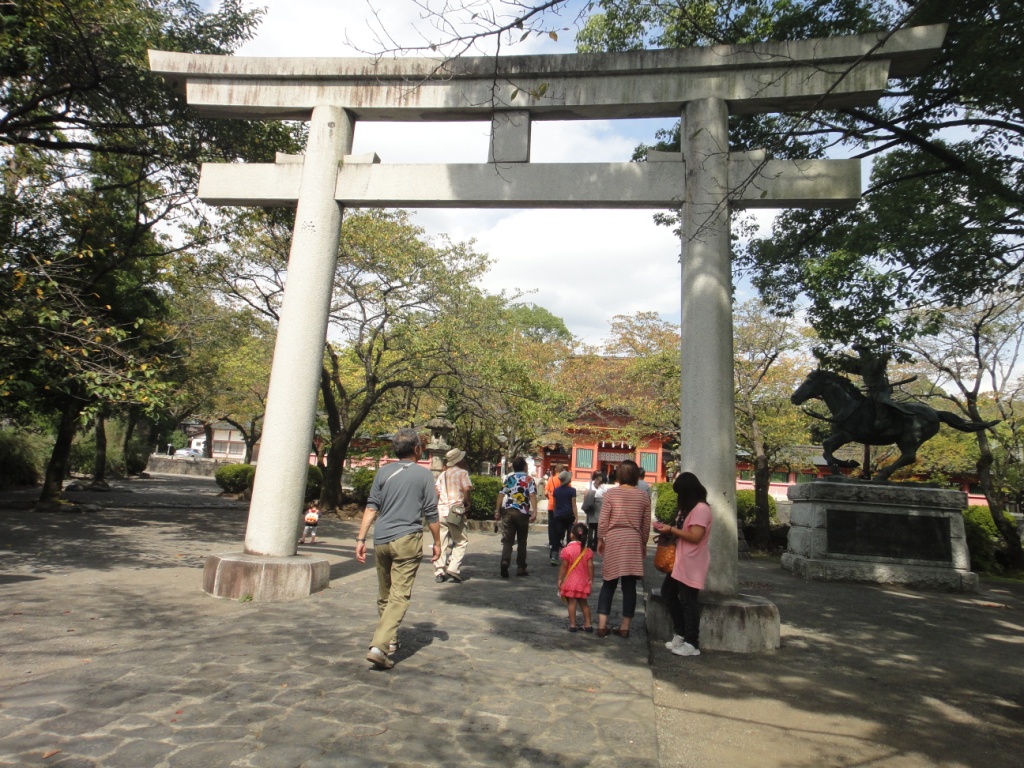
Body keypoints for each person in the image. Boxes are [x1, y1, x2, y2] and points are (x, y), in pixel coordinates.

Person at [355, 428, 441, 670]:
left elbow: (371, 506)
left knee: (385, 593)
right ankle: (379, 646)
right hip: (407, 539)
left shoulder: (383, 471)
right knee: (399, 595)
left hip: (381, 538)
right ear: (417, 449)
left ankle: (390, 639)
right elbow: (431, 512)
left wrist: (360, 539)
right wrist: (437, 542)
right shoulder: (424, 475)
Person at [652, 472, 713, 657]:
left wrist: (671, 529)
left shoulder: (701, 509)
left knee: (688, 601)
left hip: (692, 561)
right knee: (668, 593)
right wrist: (667, 529)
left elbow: (695, 536)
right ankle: (680, 633)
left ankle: (692, 642)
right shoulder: (688, 508)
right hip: (681, 559)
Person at [595, 460, 650, 639]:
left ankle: (602, 625)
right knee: (629, 586)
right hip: (633, 540)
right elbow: (646, 525)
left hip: (614, 538)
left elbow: (603, 519)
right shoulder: (643, 496)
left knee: (608, 582)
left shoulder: (611, 494)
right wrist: (643, 543)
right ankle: (625, 627)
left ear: (618, 475)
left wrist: (600, 539)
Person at [434, 447, 473, 584]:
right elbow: (466, 489)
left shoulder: (442, 474)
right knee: (461, 540)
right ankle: (453, 568)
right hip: (455, 511)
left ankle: (439, 571)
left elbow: (437, 492)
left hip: (441, 510)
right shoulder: (462, 473)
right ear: (459, 460)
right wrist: (467, 501)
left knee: (441, 541)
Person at [495, 456, 537, 578]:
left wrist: (497, 510)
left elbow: (501, 495)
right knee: (522, 541)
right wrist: (535, 511)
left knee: (508, 540)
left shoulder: (509, 478)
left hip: (508, 511)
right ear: (524, 466)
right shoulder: (529, 479)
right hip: (522, 512)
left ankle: (505, 561)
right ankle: (521, 567)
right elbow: (532, 495)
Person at [558, 522, 594, 632]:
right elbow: (590, 566)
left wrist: (560, 578)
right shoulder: (587, 551)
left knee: (572, 603)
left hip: (571, 581)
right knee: (584, 603)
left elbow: (564, 566)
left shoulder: (567, 550)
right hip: (583, 581)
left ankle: (573, 624)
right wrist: (591, 578)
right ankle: (588, 624)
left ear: (571, 535)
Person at [549, 469, 577, 564]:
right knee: (570, 536)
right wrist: (576, 517)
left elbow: (554, 505)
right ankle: (569, 556)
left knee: (556, 536)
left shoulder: (556, 490)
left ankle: (554, 556)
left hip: (559, 515)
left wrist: (555, 514)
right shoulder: (572, 491)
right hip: (569, 515)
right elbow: (573, 505)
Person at [581, 471, 606, 550]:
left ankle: (589, 544)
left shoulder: (589, 484)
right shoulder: (603, 486)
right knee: (597, 527)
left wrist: (585, 505)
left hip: (590, 505)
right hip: (599, 506)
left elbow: (585, 494)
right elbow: (604, 497)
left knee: (590, 527)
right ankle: (595, 544)